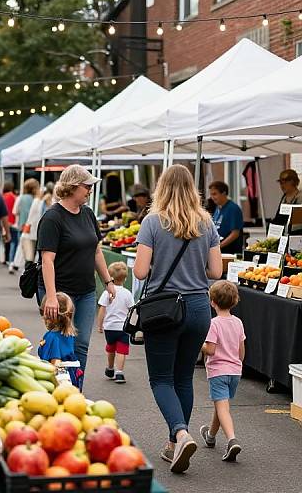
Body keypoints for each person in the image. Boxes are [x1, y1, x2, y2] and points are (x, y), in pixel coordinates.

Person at [133, 164, 222, 474]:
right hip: (199, 307)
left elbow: (141, 272)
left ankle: (181, 435)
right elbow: (216, 272)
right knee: (184, 377)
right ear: (192, 189)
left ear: (161, 188)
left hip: (165, 309)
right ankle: (174, 444)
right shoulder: (207, 222)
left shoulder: (152, 222)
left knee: (160, 378)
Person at [37, 164, 116, 388]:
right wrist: (51, 297)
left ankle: (75, 390)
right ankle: (56, 388)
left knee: (81, 344)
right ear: (72, 187)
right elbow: (47, 260)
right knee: (60, 342)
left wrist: (107, 281)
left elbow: (97, 250)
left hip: (86, 291)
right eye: (86, 185)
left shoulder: (88, 214)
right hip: (60, 293)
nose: (90, 190)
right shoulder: (53, 218)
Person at [200, 280, 245, 462]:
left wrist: (198, 343)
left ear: (212, 302)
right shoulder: (238, 322)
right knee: (221, 405)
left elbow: (210, 350)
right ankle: (210, 436)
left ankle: (231, 439)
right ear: (235, 300)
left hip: (218, 370)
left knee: (223, 408)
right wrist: (237, 363)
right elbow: (241, 350)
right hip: (235, 371)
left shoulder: (214, 324)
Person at [97, 261, 134, 384]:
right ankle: (119, 372)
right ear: (126, 278)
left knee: (111, 348)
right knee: (122, 350)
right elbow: (131, 310)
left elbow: (102, 309)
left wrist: (100, 325)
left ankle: (110, 368)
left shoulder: (106, 292)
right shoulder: (128, 293)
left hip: (110, 327)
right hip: (123, 328)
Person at [38, 292, 83, 388]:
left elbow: (55, 361)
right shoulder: (68, 333)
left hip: (61, 376)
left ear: (48, 315)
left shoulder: (52, 337)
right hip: (73, 372)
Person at [209, 181, 244, 255]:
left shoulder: (233, 209)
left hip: (229, 252)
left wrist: (218, 246)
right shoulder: (218, 208)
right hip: (219, 250)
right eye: (211, 194)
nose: (212, 197)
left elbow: (235, 233)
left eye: (214, 194)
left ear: (224, 193)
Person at [20, 180, 43, 269]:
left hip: (26, 228)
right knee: (31, 257)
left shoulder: (22, 198)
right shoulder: (36, 200)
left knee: (27, 255)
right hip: (33, 229)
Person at [2, 181, 19, 272]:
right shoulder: (14, 197)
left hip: (4, 222)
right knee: (13, 242)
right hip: (12, 222)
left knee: (5, 242)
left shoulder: (2, 197)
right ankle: (11, 260)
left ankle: (5, 258)